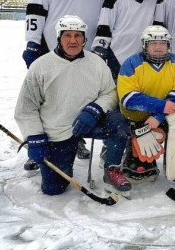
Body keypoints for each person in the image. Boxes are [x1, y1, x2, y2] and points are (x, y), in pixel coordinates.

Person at [14, 15, 131, 196]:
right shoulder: (41, 66)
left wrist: (95, 109)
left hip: (91, 122)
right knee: (54, 188)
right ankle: (50, 159)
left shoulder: (96, 63)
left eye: (78, 35)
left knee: (119, 121)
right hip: (58, 129)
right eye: (67, 35)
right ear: (59, 38)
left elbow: (111, 92)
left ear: (84, 39)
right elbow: (26, 109)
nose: (73, 40)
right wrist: (35, 137)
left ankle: (112, 168)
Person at [22, 0, 113, 167]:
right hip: (53, 53)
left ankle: (76, 139)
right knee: (47, 101)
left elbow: (121, 0)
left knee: (80, 97)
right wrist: (32, 43)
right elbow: (34, 12)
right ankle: (39, 145)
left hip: (87, 55)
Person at [116, 25, 175, 184]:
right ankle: (132, 152)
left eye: (162, 43)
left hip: (164, 117)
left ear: (168, 45)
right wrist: (160, 106)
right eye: (153, 43)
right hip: (133, 118)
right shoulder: (131, 63)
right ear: (145, 45)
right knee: (137, 168)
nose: (158, 47)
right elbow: (128, 98)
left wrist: (158, 116)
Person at [92, 0, 163, 78]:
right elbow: (104, 24)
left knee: (142, 92)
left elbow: (160, 22)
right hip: (118, 52)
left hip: (146, 54)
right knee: (119, 91)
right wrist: (100, 47)